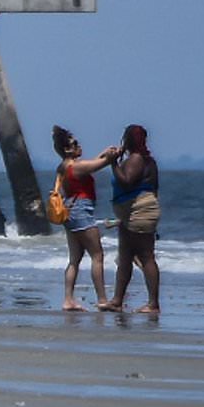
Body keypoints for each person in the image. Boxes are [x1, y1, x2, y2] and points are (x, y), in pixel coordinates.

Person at [53, 125, 117, 312]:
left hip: (69, 211)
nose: (79, 147)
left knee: (74, 259)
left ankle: (68, 299)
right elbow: (98, 166)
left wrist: (103, 154)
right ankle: (103, 299)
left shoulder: (63, 167)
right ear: (67, 149)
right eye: (75, 144)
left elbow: (91, 165)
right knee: (97, 255)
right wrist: (112, 155)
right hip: (81, 210)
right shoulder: (76, 167)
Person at [108, 123, 161, 315]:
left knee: (143, 256)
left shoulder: (137, 159)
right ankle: (117, 300)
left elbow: (127, 181)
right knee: (127, 256)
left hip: (138, 210)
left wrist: (113, 162)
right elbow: (154, 188)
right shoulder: (149, 161)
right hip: (142, 210)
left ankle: (152, 304)